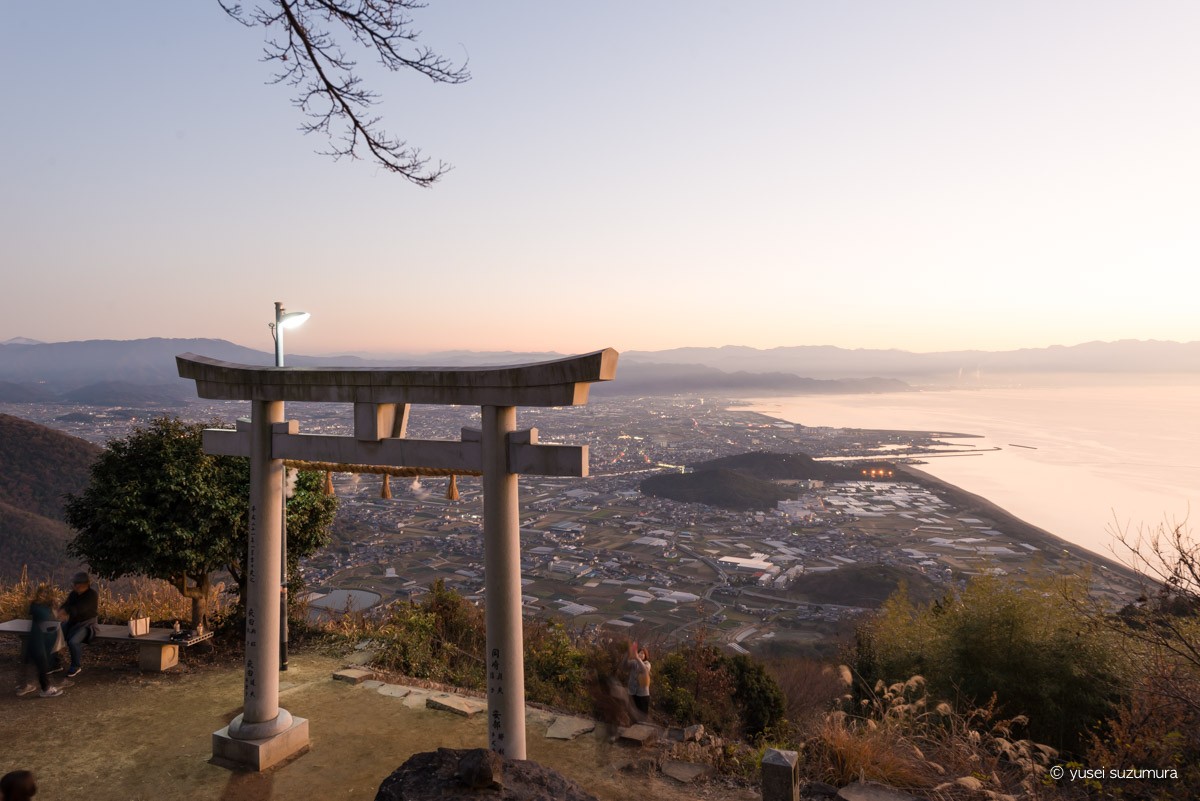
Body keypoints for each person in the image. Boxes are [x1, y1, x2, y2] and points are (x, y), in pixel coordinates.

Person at [14, 584, 62, 698]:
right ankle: (46, 689)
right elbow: (52, 620)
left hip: (37, 636)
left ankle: (24, 685)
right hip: (39, 638)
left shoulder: (36, 605)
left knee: (28, 661)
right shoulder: (41, 608)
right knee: (42, 664)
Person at [59, 572, 98, 678]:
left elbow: (80, 609)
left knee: (73, 642)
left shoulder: (92, 595)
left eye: (78, 584)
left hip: (87, 624)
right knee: (57, 636)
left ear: (85, 584)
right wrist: (61, 609)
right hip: (73, 622)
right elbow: (67, 604)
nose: (75, 586)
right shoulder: (73, 594)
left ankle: (76, 666)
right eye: (75, 584)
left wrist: (66, 611)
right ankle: (55, 663)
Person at [626, 640, 651, 718]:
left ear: (645, 656)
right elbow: (625, 665)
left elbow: (644, 670)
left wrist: (637, 658)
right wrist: (628, 654)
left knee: (642, 717)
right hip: (632, 693)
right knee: (632, 716)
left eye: (643, 653)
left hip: (643, 695)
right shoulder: (633, 663)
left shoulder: (647, 664)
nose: (641, 654)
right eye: (640, 652)